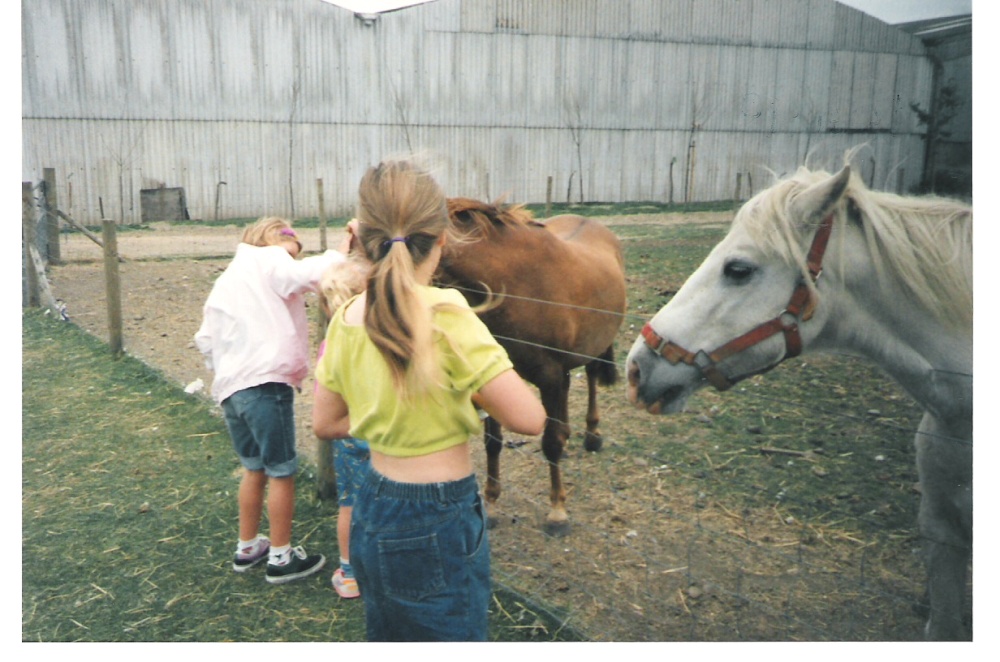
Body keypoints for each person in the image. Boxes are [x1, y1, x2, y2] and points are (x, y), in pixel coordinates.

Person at [312, 160, 546, 641]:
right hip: (439, 512)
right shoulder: (448, 313)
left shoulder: (347, 316)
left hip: (373, 504)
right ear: (442, 239)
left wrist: (391, 413)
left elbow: (326, 422)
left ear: (357, 235)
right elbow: (530, 418)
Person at [195, 216, 350, 585]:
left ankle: (247, 546)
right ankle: (281, 556)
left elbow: (205, 338)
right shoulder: (269, 259)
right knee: (282, 470)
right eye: (291, 247)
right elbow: (304, 275)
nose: (292, 256)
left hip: (231, 389)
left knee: (254, 468)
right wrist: (342, 252)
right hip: (266, 383)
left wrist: (228, 369)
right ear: (274, 239)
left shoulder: (227, 279)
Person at [315, 248, 372, 599]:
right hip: (384, 431)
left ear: (325, 307)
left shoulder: (330, 346)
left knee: (350, 504)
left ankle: (350, 574)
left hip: (348, 435)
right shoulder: (382, 339)